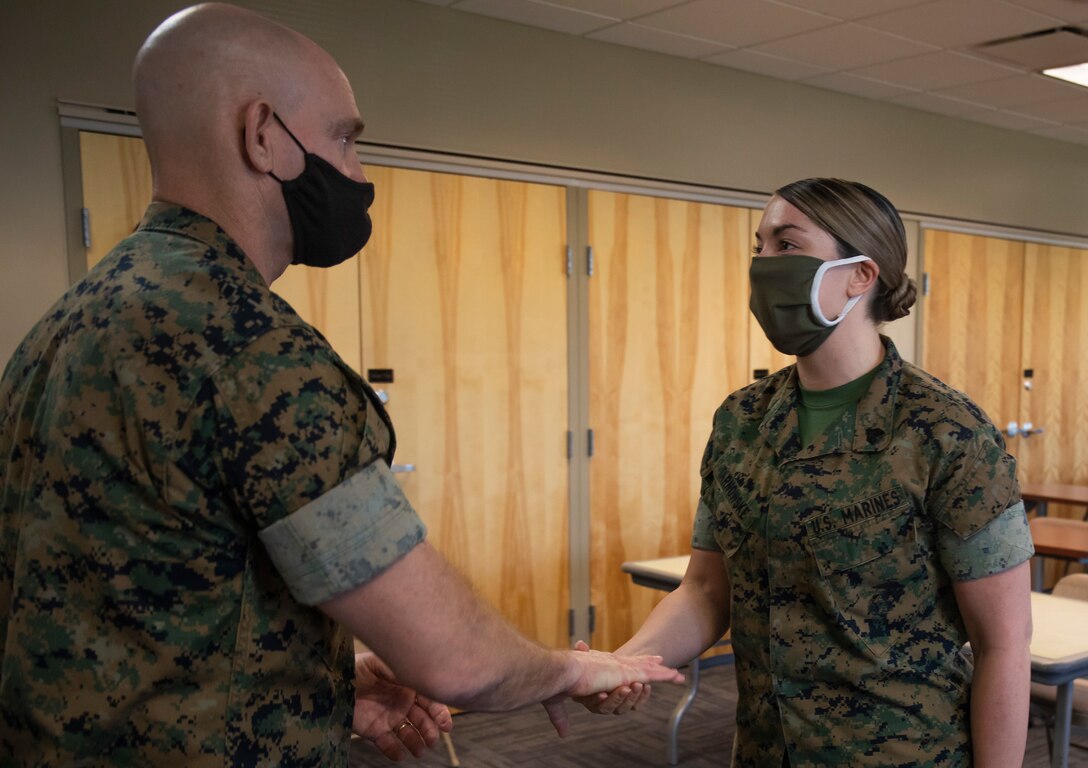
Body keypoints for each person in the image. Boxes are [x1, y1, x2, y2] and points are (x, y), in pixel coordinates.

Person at [0, 4, 683, 766]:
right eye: (345, 138)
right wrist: (574, 667)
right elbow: (456, 660)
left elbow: (126, 601)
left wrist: (318, 682)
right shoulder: (247, 346)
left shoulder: (67, 323)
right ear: (262, 135)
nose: (357, 174)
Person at [577, 178, 1034, 767]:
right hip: (767, 750)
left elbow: (1003, 645)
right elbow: (707, 590)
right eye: (759, 246)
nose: (764, 264)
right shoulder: (741, 420)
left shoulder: (947, 431)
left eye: (787, 245)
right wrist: (626, 661)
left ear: (860, 275)